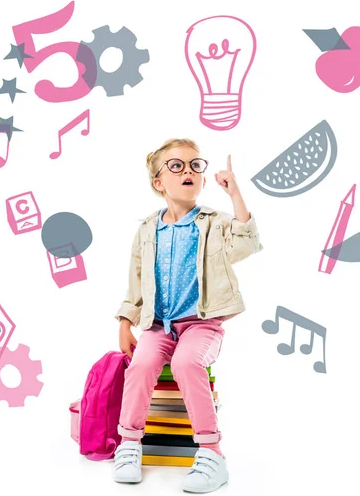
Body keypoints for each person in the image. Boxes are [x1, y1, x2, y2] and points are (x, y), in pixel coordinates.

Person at [112, 138, 263, 493]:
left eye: (196, 165)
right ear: (159, 182)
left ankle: (212, 452)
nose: (188, 172)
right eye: (177, 166)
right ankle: (129, 443)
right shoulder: (147, 229)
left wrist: (235, 194)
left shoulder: (214, 222)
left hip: (202, 323)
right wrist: (125, 322)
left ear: (203, 178)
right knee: (142, 365)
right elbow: (136, 279)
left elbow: (247, 243)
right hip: (158, 325)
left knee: (186, 365)